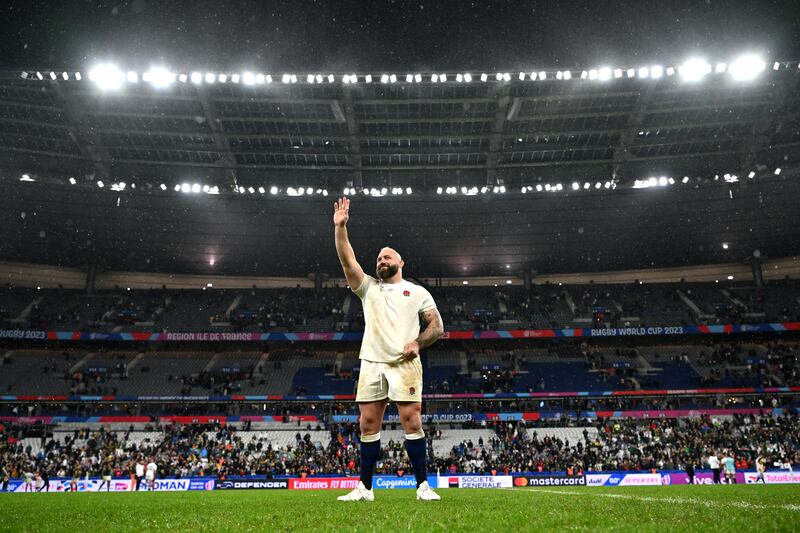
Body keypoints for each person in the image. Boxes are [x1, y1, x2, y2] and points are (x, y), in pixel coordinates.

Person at [332, 197, 444, 502]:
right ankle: (365, 488)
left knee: (412, 421)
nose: (382, 261)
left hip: (403, 363)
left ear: (400, 262)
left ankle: (422, 486)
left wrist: (418, 342)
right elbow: (347, 261)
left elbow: (436, 326)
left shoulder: (417, 291)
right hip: (371, 362)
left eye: (387, 258)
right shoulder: (368, 288)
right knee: (367, 424)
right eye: (379, 259)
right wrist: (340, 228)